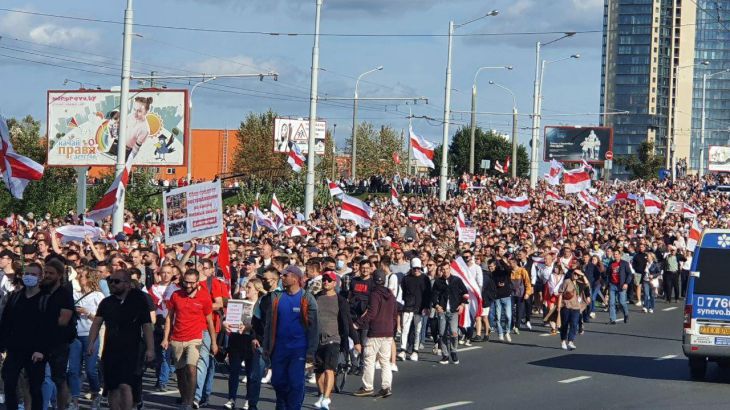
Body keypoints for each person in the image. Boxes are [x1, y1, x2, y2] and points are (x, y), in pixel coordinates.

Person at [87, 269, 155, 410]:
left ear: (127, 284)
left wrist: (150, 349)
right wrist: (91, 343)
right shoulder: (106, 302)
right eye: (110, 281)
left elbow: (147, 325)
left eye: (116, 281)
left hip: (133, 350)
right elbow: (96, 323)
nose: (112, 284)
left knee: (125, 385)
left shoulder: (138, 301)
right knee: (112, 387)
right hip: (111, 350)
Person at [262, 265, 318, 410]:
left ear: (295, 278)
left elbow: (314, 328)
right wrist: (267, 347)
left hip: (298, 350)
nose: (282, 277)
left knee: (295, 383)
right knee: (277, 381)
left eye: (285, 275)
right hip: (279, 349)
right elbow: (269, 324)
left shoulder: (307, 299)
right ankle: (282, 404)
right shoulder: (276, 297)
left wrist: (311, 352)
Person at [161, 269, 218, 410]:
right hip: (177, 338)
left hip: (195, 338)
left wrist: (214, 342)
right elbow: (169, 317)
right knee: (180, 373)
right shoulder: (175, 295)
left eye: (191, 283)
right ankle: (185, 397)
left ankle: (190, 402)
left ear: (197, 282)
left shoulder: (204, 297)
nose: (188, 285)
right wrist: (165, 338)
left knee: (191, 369)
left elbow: (210, 321)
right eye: (185, 281)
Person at [0, 263, 47, 410]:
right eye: (27, 274)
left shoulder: (45, 299)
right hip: (15, 348)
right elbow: (6, 322)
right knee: (9, 383)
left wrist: (41, 349)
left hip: (35, 351)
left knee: (34, 388)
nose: (29, 277)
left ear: (40, 278)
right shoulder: (15, 297)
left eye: (33, 274)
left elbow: (49, 327)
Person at [313, 271, 360, 410]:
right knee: (318, 371)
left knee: (329, 369)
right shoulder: (316, 298)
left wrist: (356, 341)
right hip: (317, 340)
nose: (326, 282)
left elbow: (348, 322)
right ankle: (322, 395)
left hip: (334, 338)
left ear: (335, 283)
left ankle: (327, 398)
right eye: (324, 280)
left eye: (329, 280)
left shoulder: (341, 301)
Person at [353, 270, 396, 398]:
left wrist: (358, 323)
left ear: (373, 280)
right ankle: (386, 387)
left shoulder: (374, 294)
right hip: (388, 331)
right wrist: (392, 327)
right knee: (385, 360)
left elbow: (371, 312)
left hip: (376, 331)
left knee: (369, 359)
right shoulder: (390, 294)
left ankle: (367, 386)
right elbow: (394, 313)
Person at [224, 278, 266, 410]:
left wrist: (251, 328)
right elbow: (227, 319)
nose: (246, 289)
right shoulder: (239, 302)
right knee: (234, 371)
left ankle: (249, 400)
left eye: (249, 287)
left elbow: (263, 325)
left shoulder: (260, 306)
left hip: (252, 341)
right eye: (246, 287)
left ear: (257, 290)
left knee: (250, 373)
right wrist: (224, 323)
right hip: (237, 339)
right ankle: (231, 399)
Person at [38, 258, 75, 410]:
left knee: (59, 378)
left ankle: (61, 406)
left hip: (58, 342)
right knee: (36, 377)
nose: (47, 275)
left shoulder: (64, 294)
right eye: (45, 272)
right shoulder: (41, 292)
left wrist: (44, 321)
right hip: (40, 341)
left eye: (51, 273)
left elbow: (63, 320)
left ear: (59, 275)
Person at [67, 267, 105, 410]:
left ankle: (96, 394)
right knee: (73, 370)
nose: (79, 278)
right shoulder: (75, 294)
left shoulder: (98, 296)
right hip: (76, 335)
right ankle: (75, 400)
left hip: (91, 335)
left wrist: (87, 312)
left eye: (82, 276)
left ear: (89, 278)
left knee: (90, 369)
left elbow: (102, 319)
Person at [431, 261, 468, 365]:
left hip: (453, 311)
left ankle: (454, 351)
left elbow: (465, 293)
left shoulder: (457, 280)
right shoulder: (438, 282)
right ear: (441, 270)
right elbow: (434, 296)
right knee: (442, 333)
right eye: (443, 269)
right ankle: (445, 355)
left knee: (454, 333)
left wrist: (462, 305)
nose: (445, 271)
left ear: (450, 269)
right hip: (442, 311)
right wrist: (436, 305)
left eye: (447, 269)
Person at [398, 257, 430, 361]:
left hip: (420, 308)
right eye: (414, 268)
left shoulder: (425, 279)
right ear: (411, 268)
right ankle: (403, 349)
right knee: (405, 329)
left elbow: (427, 294)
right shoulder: (406, 279)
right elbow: (401, 293)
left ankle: (415, 350)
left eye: (418, 268)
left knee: (418, 330)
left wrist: (426, 307)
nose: (416, 270)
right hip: (408, 307)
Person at [608, 248, 632, 324]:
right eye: (614, 254)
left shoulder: (624, 263)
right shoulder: (611, 263)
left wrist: (626, 283)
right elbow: (608, 274)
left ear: (620, 255)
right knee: (611, 303)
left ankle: (626, 314)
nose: (615, 256)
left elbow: (629, 274)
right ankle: (613, 319)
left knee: (622, 302)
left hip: (621, 285)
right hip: (612, 285)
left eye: (617, 254)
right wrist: (607, 283)